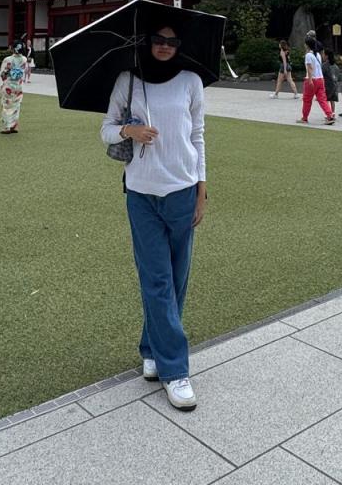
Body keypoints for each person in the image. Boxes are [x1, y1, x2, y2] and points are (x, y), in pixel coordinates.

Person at [101, 24, 207, 412]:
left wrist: (202, 186)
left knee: (176, 278)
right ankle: (175, 370)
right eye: (158, 40)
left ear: (179, 45)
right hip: (142, 193)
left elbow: (198, 135)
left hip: (182, 189)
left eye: (171, 41)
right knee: (157, 279)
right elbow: (106, 130)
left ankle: (151, 348)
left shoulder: (191, 81)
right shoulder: (128, 80)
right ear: (148, 42)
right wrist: (130, 129)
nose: (164, 46)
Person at [297, 39, 335, 125]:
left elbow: (310, 68)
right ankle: (329, 115)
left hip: (312, 79)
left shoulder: (308, 55)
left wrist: (310, 80)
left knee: (307, 100)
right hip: (320, 79)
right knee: (322, 99)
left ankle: (304, 118)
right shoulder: (318, 54)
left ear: (307, 45)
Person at [0, 41, 27, 133]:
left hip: (9, 85)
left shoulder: (7, 59)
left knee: (6, 105)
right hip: (18, 85)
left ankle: (6, 127)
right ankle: (14, 126)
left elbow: (2, 75)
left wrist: (7, 72)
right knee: (16, 106)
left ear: (13, 48)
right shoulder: (24, 59)